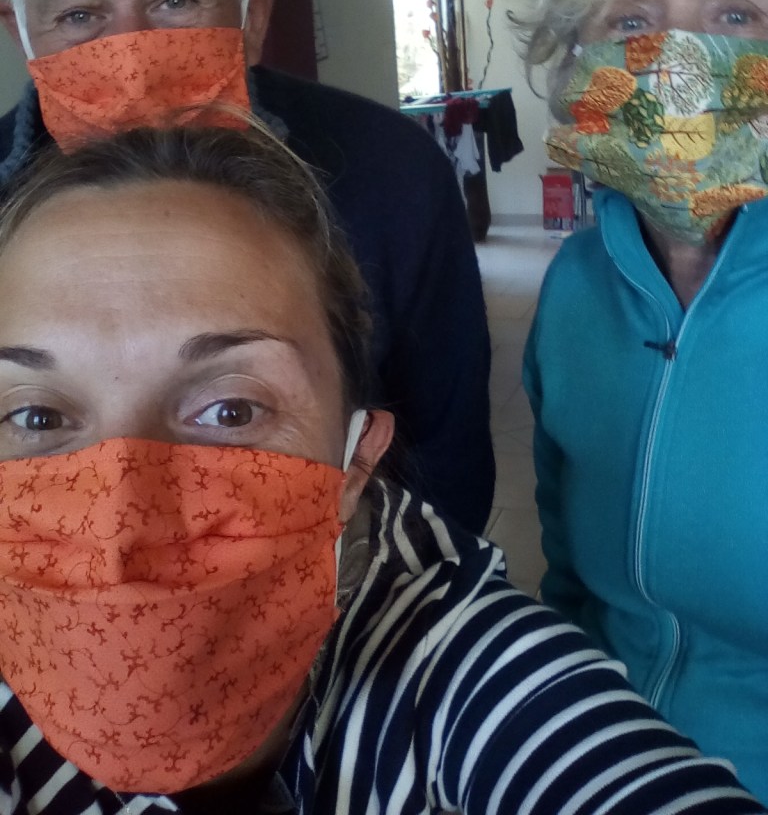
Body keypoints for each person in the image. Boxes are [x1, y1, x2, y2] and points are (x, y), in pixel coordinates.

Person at [0, 122, 765, 815]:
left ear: (356, 460)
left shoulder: (461, 663)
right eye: (37, 417)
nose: (123, 517)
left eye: (230, 411)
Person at [0, 0, 494, 535]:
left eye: (174, 2)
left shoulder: (394, 173)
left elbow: (446, 454)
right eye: (78, 14)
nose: (131, 50)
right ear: (22, 36)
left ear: (252, 16)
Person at [518, 0, 768, 800]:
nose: (680, 61)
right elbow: (570, 581)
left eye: (735, 13)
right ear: (582, 68)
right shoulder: (574, 288)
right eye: (632, 20)